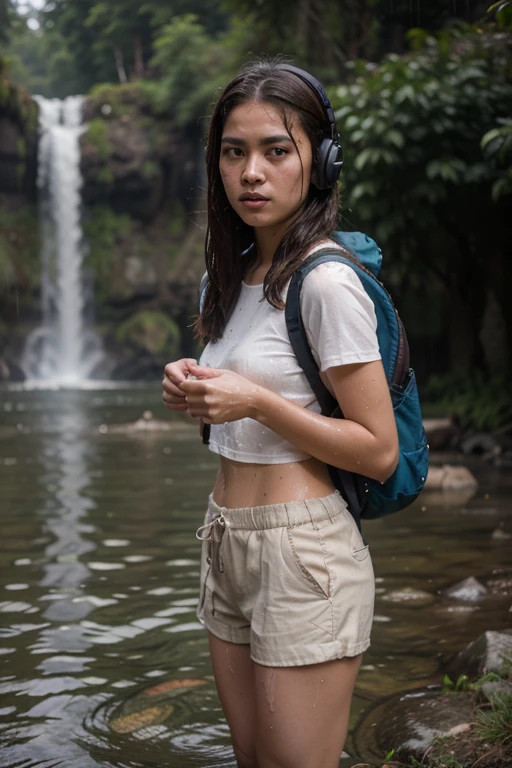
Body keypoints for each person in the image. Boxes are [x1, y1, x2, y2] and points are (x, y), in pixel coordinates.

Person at [162, 59, 399, 768]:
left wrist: (257, 401)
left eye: (275, 150)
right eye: (234, 152)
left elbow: (377, 449)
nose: (251, 173)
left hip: (303, 553)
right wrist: (193, 390)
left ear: (319, 163)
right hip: (226, 541)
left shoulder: (325, 282)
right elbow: (241, 405)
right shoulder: (228, 276)